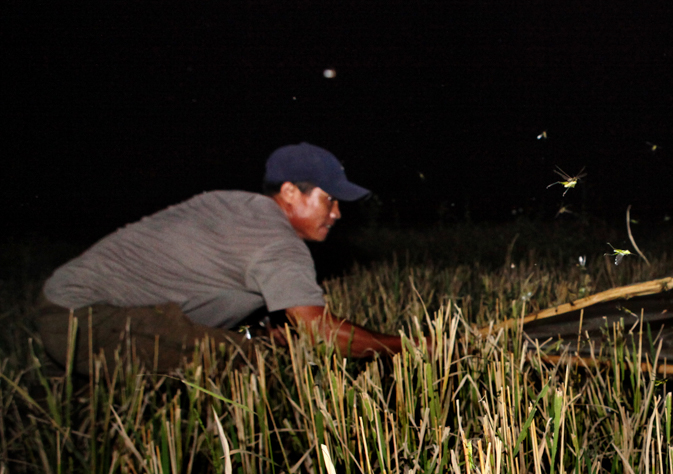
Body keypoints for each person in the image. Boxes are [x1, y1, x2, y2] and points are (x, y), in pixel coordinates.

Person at [37, 143, 404, 374]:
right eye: (330, 200)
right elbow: (323, 334)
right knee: (253, 365)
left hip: (62, 309)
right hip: (91, 322)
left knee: (245, 345)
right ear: (290, 192)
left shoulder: (230, 203)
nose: (337, 213)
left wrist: (258, 331)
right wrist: (407, 348)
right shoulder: (277, 242)